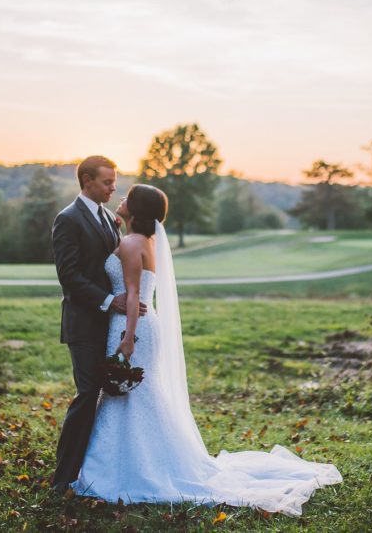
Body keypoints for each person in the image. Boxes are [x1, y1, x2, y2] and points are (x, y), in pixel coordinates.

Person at [71, 184, 341, 516]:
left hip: (131, 328)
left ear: (137, 210)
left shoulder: (129, 244)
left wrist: (127, 339)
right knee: (144, 394)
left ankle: (125, 468)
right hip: (146, 324)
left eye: (127, 198)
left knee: (129, 395)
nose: (120, 199)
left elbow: (130, 296)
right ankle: (153, 459)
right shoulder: (146, 241)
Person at [50, 155, 147, 490]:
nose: (113, 187)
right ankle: (62, 478)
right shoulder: (68, 219)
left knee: (103, 396)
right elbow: (69, 276)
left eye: (114, 182)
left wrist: (128, 301)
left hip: (108, 326)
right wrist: (111, 302)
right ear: (87, 180)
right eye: (107, 182)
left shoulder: (108, 218)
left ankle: (93, 471)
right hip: (83, 324)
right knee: (87, 394)